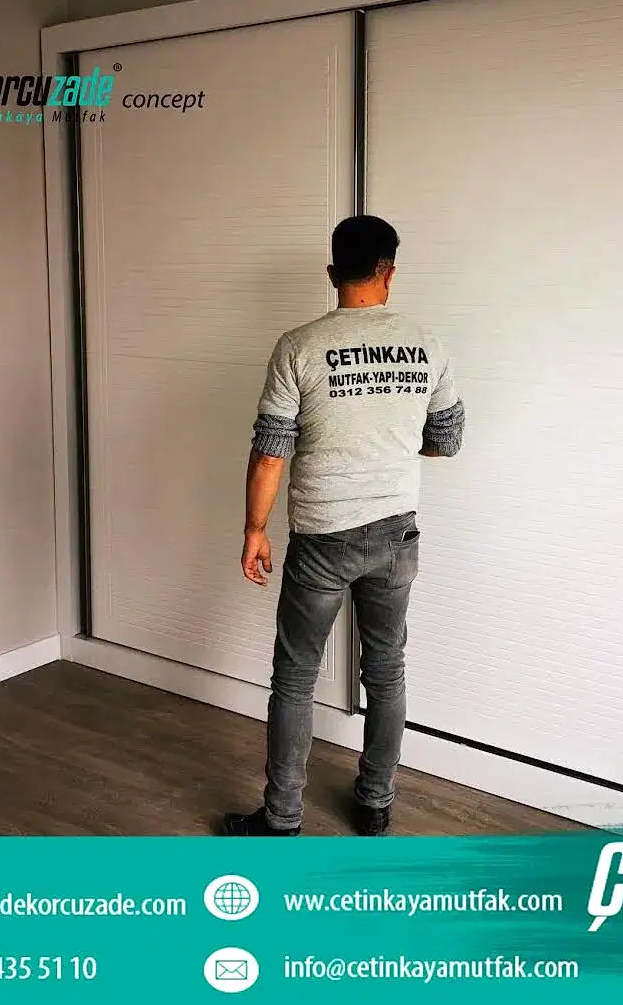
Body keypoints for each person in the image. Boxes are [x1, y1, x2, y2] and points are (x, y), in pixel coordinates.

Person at [223, 215, 465, 837]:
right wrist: (389, 442)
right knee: (385, 671)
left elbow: (271, 453)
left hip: (322, 539)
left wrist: (254, 529)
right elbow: (447, 439)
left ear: (332, 273)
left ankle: (282, 819)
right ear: (389, 271)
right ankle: (376, 803)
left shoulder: (298, 346)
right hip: (396, 534)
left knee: (296, 676)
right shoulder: (427, 343)